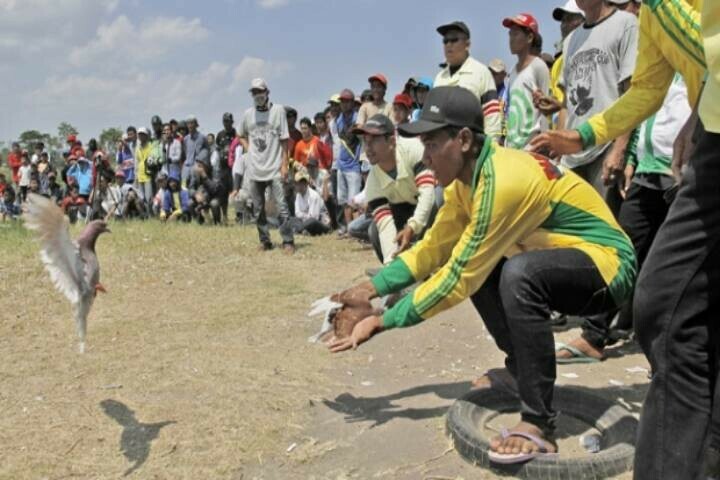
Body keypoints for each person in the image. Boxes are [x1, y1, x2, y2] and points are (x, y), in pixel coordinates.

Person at [328, 86, 636, 463]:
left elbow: (458, 276)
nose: (424, 158)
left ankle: (539, 423)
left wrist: (382, 320)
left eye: (431, 144)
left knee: (514, 275)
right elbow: (433, 249)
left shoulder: (503, 179)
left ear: (462, 140)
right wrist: (369, 288)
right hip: (560, 262)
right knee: (493, 268)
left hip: (609, 267)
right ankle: (522, 369)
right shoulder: (466, 183)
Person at [531, 1, 717, 477]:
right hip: (712, 135)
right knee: (676, 311)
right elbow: (650, 88)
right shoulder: (654, 17)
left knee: (662, 305)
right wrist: (582, 134)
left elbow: (709, 48)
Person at [352, 114, 436, 264]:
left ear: (391, 141)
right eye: (365, 140)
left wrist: (412, 227)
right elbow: (385, 226)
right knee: (374, 230)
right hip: (404, 208)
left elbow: (428, 194)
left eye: (374, 140)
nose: (368, 147)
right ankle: (402, 273)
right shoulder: (373, 182)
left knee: (439, 198)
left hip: (431, 202)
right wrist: (390, 266)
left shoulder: (413, 149)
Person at [239, 78, 295, 252]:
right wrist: (249, 150)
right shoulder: (248, 114)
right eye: (254, 92)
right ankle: (265, 241)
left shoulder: (278, 111)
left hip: (274, 167)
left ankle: (288, 241)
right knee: (258, 208)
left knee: (282, 206)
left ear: (267, 92)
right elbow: (240, 134)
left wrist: (284, 164)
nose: (257, 95)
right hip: (255, 169)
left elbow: (284, 140)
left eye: (260, 92)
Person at [433, 21, 502, 141]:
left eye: (454, 39)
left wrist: (489, 150)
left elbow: (492, 118)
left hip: (471, 149)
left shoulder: (481, 72)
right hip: (443, 149)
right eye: (445, 41)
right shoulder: (439, 78)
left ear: (467, 44)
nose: (448, 44)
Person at [503, 13, 551, 150]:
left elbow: (546, 110)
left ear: (529, 37)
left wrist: (544, 144)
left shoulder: (538, 66)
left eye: (516, 34)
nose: (511, 39)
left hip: (533, 148)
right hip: (513, 148)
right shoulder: (512, 72)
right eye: (510, 34)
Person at [334, 88, 363, 236]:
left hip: (353, 166)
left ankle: (357, 230)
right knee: (344, 201)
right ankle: (348, 229)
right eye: (342, 101)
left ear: (352, 102)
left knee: (355, 201)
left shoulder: (358, 119)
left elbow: (362, 141)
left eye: (347, 101)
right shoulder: (338, 120)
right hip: (341, 166)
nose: (344, 104)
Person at [291, 170, 332, 235]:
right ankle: (303, 230)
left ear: (306, 183)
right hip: (305, 222)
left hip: (322, 224)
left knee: (312, 221)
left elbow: (314, 217)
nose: (299, 185)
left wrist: (302, 215)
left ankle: (298, 230)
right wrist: (305, 216)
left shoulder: (313, 195)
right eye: (298, 182)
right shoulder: (298, 195)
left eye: (302, 182)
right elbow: (297, 213)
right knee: (292, 219)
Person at [182, 115, 209, 187]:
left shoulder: (202, 137)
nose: (190, 125)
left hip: (197, 167)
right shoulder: (186, 139)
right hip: (186, 167)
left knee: (194, 188)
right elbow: (185, 152)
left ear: (196, 124)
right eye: (188, 123)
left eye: (192, 123)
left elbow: (206, 151)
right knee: (183, 187)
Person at [134, 127, 154, 205]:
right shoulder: (137, 148)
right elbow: (136, 163)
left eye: (143, 134)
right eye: (140, 135)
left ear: (146, 136)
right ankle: (146, 215)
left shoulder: (150, 146)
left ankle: (150, 214)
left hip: (148, 175)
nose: (141, 136)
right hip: (140, 175)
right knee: (141, 198)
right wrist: (136, 176)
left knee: (148, 197)